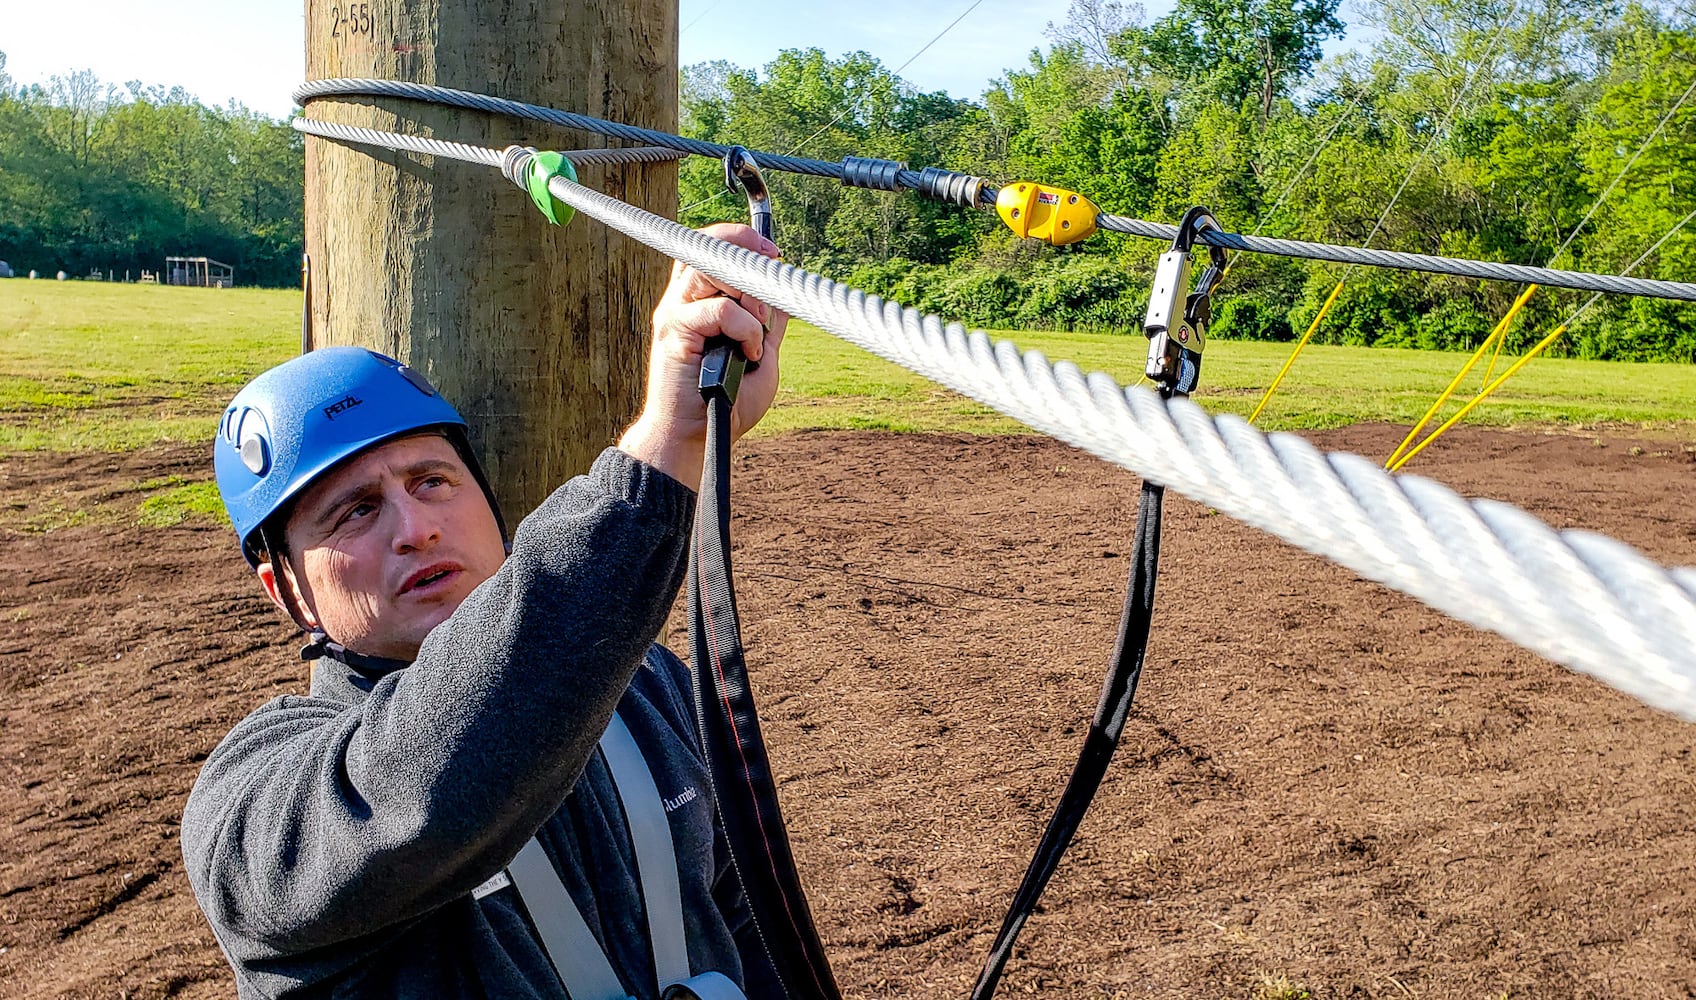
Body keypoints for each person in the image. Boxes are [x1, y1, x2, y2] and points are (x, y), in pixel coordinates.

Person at [183, 224, 787, 999]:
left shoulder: (646, 687)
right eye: (355, 512)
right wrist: (670, 442)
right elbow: (431, 779)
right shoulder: (253, 807)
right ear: (288, 591)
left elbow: (745, 930)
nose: (416, 527)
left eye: (433, 480)